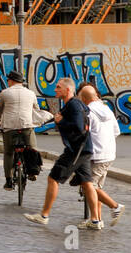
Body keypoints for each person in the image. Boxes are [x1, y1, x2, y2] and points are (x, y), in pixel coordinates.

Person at [25, 77, 102, 229]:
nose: (55, 89)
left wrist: (61, 122)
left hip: (76, 150)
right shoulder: (74, 104)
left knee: (53, 178)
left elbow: (78, 127)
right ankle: (95, 221)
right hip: (84, 149)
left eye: (58, 87)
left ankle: (44, 215)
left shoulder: (73, 105)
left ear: (67, 90)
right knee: (87, 184)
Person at [80, 84, 125, 226]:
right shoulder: (107, 110)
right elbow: (116, 131)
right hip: (109, 154)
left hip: (96, 155)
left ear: (84, 98)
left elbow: (83, 134)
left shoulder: (87, 112)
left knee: (89, 187)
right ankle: (96, 219)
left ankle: (115, 206)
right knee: (96, 187)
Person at [0, 69, 42, 190]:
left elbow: (0, 110)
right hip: (26, 126)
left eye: (8, 80)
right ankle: (32, 172)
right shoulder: (31, 94)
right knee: (32, 148)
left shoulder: (5, 93)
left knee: (8, 152)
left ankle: (8, 180)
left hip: (9, 127)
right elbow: (36, 109)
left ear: (11, 81)